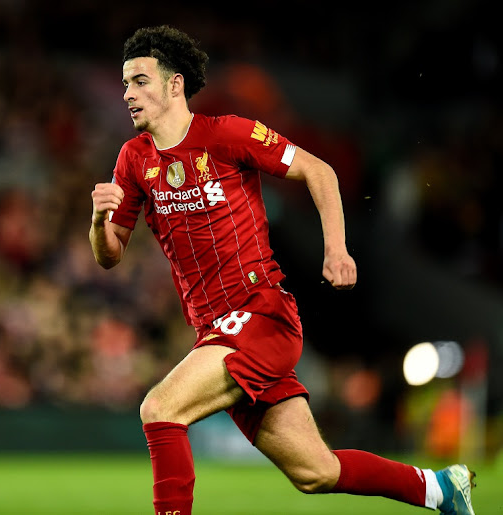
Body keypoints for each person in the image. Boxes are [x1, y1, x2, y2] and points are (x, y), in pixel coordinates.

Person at [89, 25, 476, 515]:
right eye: (124, 83)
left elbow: (319, 170)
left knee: (159, 409)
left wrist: (336, 249)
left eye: (139, 81)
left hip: (260, 314)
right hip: (215, 331)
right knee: (316, 472)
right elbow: (109, 254)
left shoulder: (228, 134)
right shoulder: (133, 159)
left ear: (174, 85)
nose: (127, 94)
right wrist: (101, 219)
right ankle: (439, 488)